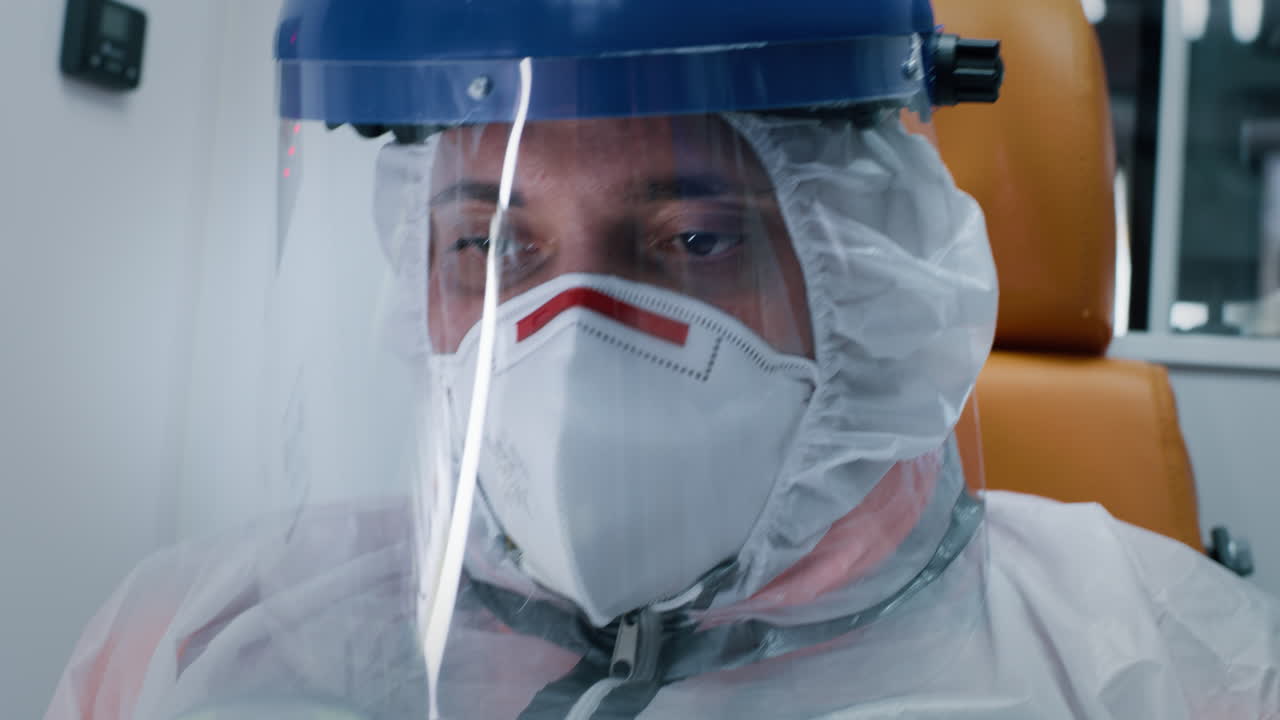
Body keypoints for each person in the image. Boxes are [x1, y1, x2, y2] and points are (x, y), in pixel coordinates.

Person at [46, 1, 1280, 718]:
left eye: (692, 238)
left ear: (863, 262)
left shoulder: (1148, 668)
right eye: (488, 246)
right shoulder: (203, 649)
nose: (572, 352)